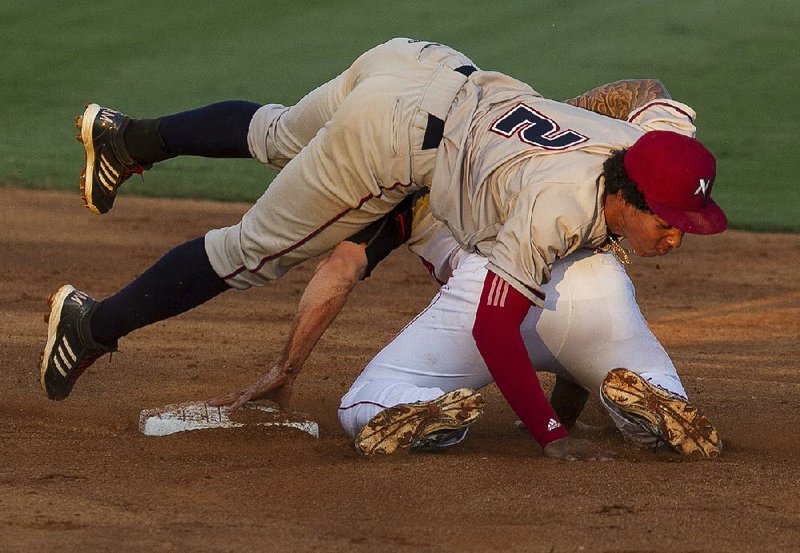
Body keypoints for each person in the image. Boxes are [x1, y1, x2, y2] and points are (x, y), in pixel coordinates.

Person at [40, 38, 727, 462]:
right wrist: (553, 432)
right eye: (669, 218)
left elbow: (647, 92)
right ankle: (89, 325)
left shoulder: (647, 148)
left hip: (418, 61)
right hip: (393, 142)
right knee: (249, 253)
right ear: (632, 194)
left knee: (278, 132)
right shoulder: (551, 209)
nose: (677, 233)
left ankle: (127, 138)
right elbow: (490, 321)